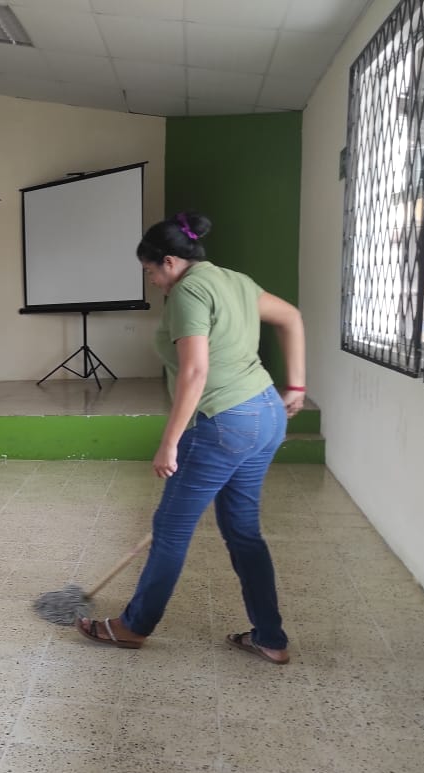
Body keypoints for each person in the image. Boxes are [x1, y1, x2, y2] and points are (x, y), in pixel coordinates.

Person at [78, 212, 306, 665]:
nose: (153, 282)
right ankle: (270, 637)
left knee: (170, 531)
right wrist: (296, 385)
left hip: (224, 422)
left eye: (150, 272)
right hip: (266, 413)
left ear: (169, 261)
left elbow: (195, 371)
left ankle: (133, 627)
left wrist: (170, 441)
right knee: (243, 532)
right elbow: (291, 317)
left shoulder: (188, 291)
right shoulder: (234, 280)